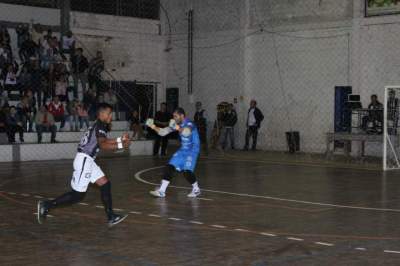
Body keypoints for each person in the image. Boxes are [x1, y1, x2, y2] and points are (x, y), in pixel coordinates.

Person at [37, 103, 130, 226]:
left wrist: (119, 140)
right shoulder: (100, 125)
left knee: (105, 184)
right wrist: (121, 145)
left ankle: (111, 216)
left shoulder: (98, 125)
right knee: (77, 195)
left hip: (88, 161)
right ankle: (47, 205)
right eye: (109, 113)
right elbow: (103, 145)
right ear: (101, 114)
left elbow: (103, 141)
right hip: (85, 160)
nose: (111, 116)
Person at [146, 107, 201, 198]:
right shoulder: (176, 123)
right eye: (173, 116)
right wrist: (152, 126)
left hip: (192, 151)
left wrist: (176, 126)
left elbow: (186, 132)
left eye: (176, 116)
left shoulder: (190, 123)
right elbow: (163, 132)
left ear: (182, 116)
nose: (174, 118)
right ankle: (161, 191)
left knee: (187, 172)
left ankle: (196, 189)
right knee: (169, 167)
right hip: (183, 150)